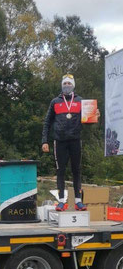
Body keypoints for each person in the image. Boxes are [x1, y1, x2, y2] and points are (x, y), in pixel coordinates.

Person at [41, 74, 98, 212]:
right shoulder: (55, 101)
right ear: (62, 85)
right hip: (59, 141)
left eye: (69, 83)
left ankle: (78, 201)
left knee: (76, 170)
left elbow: (88, 121)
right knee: (60, 170)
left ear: (73, 85)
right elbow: (47, 122)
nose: (67, 85)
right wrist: (44, 140)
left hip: (75, 140)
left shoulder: (80, 101)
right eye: (64, 83)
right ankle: (61, 201)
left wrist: (95, 115)